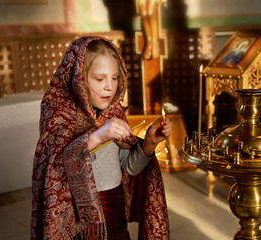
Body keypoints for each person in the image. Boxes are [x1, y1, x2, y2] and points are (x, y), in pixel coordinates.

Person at [31, 36, 172, 240]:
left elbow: (129, 166)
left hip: (114, 212)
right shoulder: (57, 114)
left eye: (115, 78)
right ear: (79, 78)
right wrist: (98, 136)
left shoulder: (112, 114)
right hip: (78, 222)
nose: (109, 86)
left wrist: (149, 142)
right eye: (100, 79)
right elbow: (54, 168)